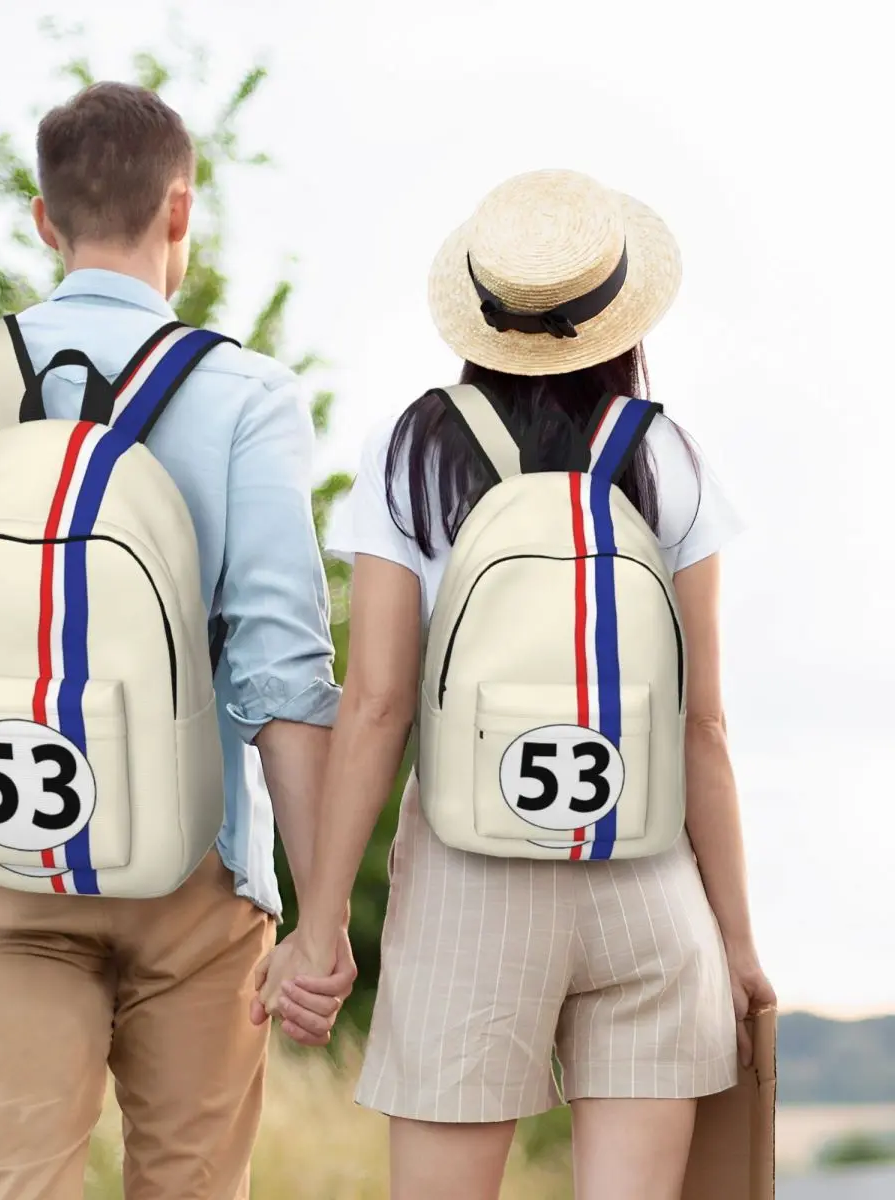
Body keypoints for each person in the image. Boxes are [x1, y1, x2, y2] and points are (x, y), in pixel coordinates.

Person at [0, 81, 355, 1200]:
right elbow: (283, 679)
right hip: (196, 871)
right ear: (180, 213)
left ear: (44, 220)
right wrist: (322, 915)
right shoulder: (245, 396)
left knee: (20, 1186)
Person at [256, 169, 777, 1200]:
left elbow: (376, 705)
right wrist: (738, 943)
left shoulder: (413, 451)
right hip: (647, 878)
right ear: (620, 316)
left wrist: (318, 927)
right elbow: (703, 723)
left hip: (469, 881)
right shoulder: (667, 456)